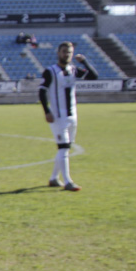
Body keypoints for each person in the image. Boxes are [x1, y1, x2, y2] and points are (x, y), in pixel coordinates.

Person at [39, 41, 98, 191]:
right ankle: (68, 181)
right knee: (63, 148)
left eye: (70, 52)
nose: (67, 55)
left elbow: (93, 76)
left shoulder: (73, 70)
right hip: (58, 116)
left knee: (65, 148)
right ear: (58, 53)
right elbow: (41, 91)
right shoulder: (50, 71)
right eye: (64, 51)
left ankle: (53, 178)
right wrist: (46, 111)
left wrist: (84, 61)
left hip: (73, 115)